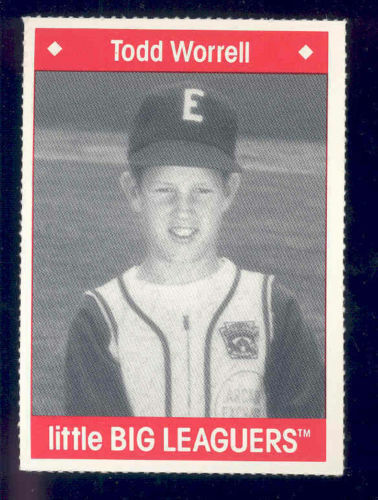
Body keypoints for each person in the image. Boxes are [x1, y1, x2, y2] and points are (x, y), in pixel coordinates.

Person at [64, 84, 324, 418]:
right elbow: (95, 457)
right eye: (164, 190)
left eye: (201, 190)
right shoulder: (101, 317)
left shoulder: (272, 308)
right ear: (133, 191)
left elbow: (309, 442)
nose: (183, 209)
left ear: (228, 192)